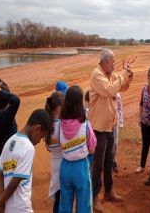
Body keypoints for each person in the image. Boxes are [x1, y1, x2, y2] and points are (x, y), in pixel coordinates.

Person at [89, 48, 133, 212]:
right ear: (106, 61)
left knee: (109, 161)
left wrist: (128, 74)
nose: (114, 64)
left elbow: (122, 87)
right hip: (99, 128)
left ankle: (108, 191)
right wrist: (122, 74)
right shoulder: (97, 74)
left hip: (110, 126)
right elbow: (109, 90)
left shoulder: (110, 74)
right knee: (97, 164)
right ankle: (94, 198)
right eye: (113, 61)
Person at [0, 109, 51, 213]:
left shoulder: (10, 141)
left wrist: (1, 204)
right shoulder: (28, 147)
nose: (39, 141)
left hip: (8, 209)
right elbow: (15, 180)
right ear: (37, 129)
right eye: (41, 137)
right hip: (21, 208)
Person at [59, 85, 97, 213]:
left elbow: (58, 144)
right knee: (84, 204)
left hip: (64, 166)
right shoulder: (85, 124)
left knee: (64, 205)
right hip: (81, 167)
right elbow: (92, 149)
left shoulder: (59, 124)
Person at [45, 91, 64, 213]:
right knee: (65, 197)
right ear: (58, 108)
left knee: (57, 198)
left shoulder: (47, 124)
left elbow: (48, 147)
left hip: (54, 163)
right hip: (65, 162)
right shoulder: (63, 124)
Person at [113, 92, 123, 173]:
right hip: (105, 123)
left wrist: (121, 122)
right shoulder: (103, 92)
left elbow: (120, 108)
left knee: (115, 143)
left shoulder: (118, 95)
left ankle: (113, 161)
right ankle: (104, 162)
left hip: (115, 122)